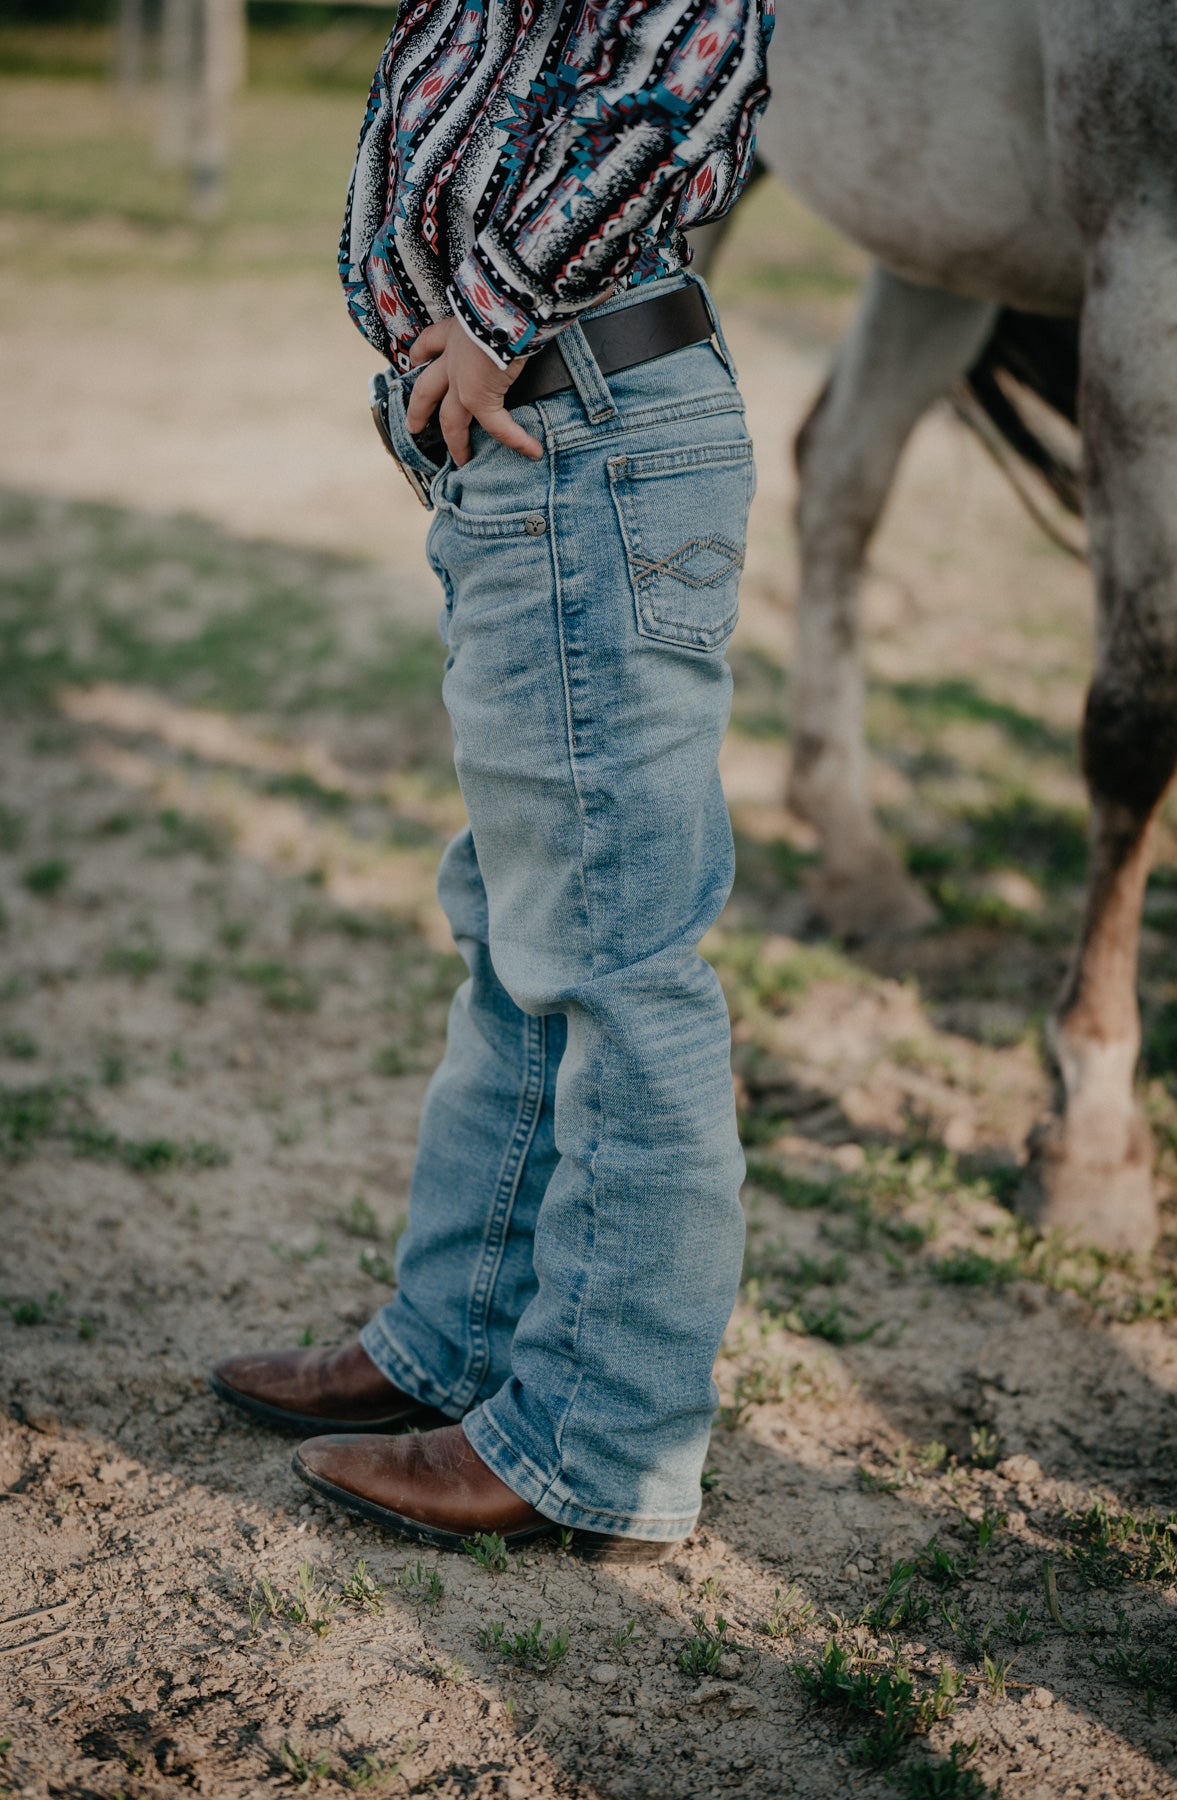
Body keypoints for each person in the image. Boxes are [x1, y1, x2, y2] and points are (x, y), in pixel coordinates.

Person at [210, 0, 774, 1561]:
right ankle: (452, 1346)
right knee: (520, 924)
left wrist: (496, 311)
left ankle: (596, 1439)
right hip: (537, 435)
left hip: (587, 417)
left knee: (616, 954)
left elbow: (686, 83)